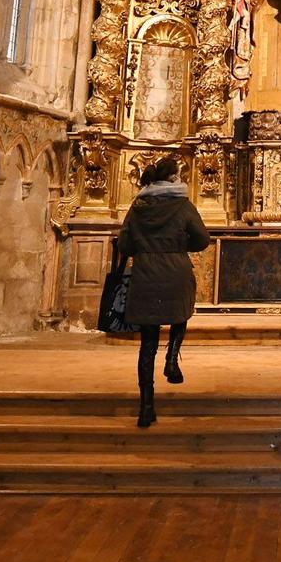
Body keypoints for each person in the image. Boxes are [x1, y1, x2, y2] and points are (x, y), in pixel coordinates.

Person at [117, 155, 211, 429]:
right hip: (175, 270)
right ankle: (172, 359)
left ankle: (146, 409)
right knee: (180, 313)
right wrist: (179, 247)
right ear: (172, 178)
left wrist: (145, 249)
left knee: (147, 344)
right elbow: (202, 239)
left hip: (146, 273)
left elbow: (124, 243)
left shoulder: (139, 205)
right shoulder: (182, 205)